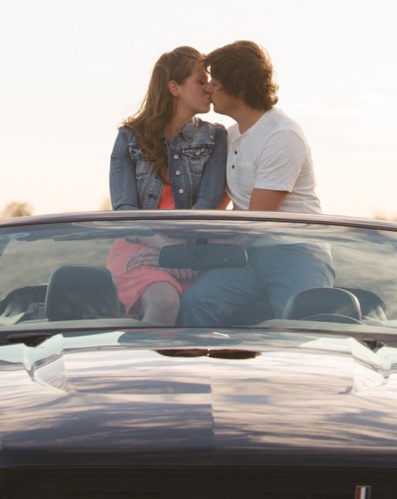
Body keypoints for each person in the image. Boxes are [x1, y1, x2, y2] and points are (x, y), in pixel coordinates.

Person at [174, 40, 334, 326]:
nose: (209, 88)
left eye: (216, 82)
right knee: (195, 303)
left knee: (297, 326)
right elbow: (220, 201)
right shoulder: (229, 135)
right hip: (249, 254)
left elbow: (257, 220)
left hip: (295, 252)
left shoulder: (282, 136)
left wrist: (202, 252)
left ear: (239, 86)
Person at [106, 46, 228, 324]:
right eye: (200, 80)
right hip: (138, 248)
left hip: (192, 248)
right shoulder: (129, 137)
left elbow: (208, 203)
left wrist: (180, 251)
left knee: (201, 316)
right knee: (163, 302)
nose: (209, 87)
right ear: (174, 88)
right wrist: (163, 249)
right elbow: (125, 209)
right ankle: (138, 367)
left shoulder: (216, 137)